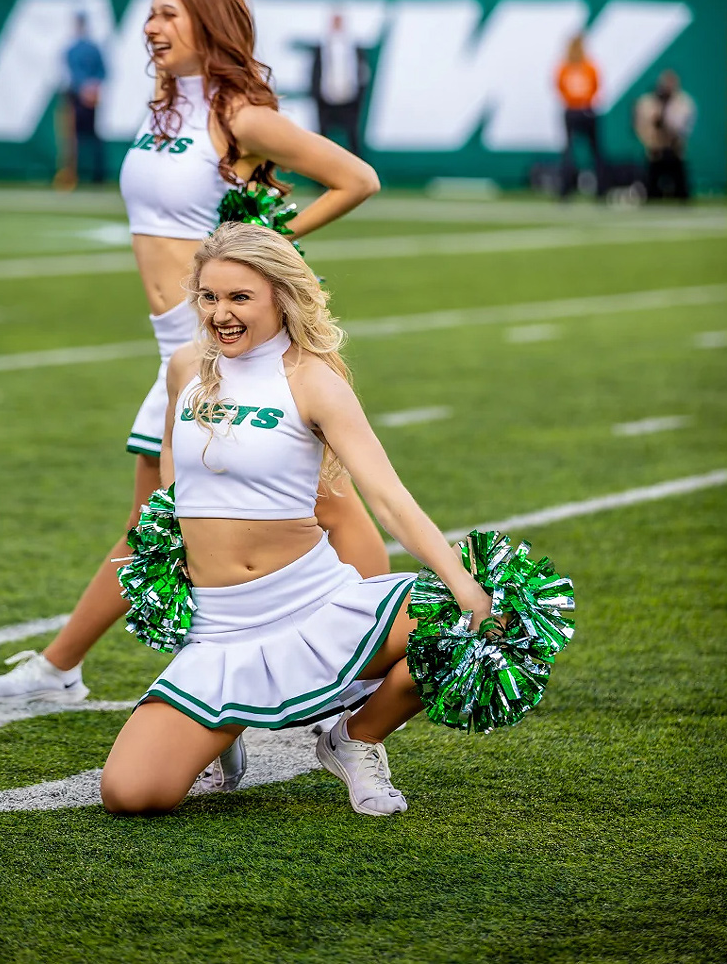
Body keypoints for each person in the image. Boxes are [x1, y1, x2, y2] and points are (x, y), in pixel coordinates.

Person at [0, 0, 388, 785]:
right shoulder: (169, 97)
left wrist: (270, 237)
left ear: (207, 27)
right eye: (151, 15)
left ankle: (72, 669)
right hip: (174, 347)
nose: (152, 24)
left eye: (167, 15)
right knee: (178, 513)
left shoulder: (239, 113)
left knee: (312, 503)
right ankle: (84, 670)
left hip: (217, 344)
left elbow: (355, 178)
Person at [100, 224, 496, 818]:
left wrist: (464, 585)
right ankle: (224, 726)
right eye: (209, 297)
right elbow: (172, 478)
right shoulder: (185, 368)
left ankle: (354, 740)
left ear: (281, 297)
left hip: (313, 600)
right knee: (131, 795)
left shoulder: (311, 379)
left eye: (240, 298)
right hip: (221, 627)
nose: (220, 314)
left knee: (472, 626)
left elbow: (387, 498)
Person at [55, 12, 108, 188]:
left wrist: (92, 88)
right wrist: (84, 88)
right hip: (74, 97)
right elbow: (69, 74)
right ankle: (71, 174)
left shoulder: (91, 48)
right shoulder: (71, 48)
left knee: (91, 136)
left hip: (88, 98)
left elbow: (102, 71)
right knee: (71, 138)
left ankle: (96, 175)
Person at [309, 11, 370, 158]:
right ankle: (320, 174)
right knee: (322, 137)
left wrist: (358, 93)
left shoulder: (353, 47)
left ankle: (357, 173)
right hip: (325, 98)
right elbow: (316, 71)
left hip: (350, 98)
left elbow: (362, 72)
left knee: (353, 136)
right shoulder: (322, 47)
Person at [555, 33, 606, 199]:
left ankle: (565, 191)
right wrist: (585, 100)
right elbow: (596, 86)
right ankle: (600, 190)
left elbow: (559, 86)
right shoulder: (588, 66)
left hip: (572, 110)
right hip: (586, 110)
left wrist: (573, 101)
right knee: (594, 151)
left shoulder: (566, 66)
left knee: (569, 151)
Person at [633, 70, 696, 201]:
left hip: (675, 152)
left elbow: (683, 127)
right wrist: (651, 140)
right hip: (655, 152)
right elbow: (640, 125)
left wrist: (667, 121)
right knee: (652, 193)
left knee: (682, 193)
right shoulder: (648, 103)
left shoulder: (683, 102)